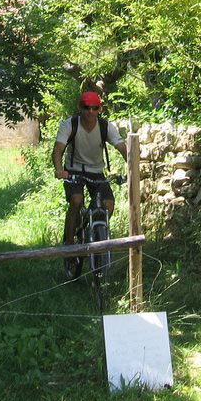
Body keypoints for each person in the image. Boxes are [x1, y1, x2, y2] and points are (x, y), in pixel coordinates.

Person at [52, 92, 127, 271]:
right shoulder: (70, 125)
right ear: (80, 108)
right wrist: (59, 170)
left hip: (96, 172)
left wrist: (132, 165)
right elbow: (58, 150)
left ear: (100, 109)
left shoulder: (105, 126)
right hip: (74, 171)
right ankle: (70, 246)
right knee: (77, 200)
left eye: (95, 108)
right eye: (87, 107)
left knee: (108, 204)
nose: (91, 112)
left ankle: (94, 229)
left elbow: (122, 147)